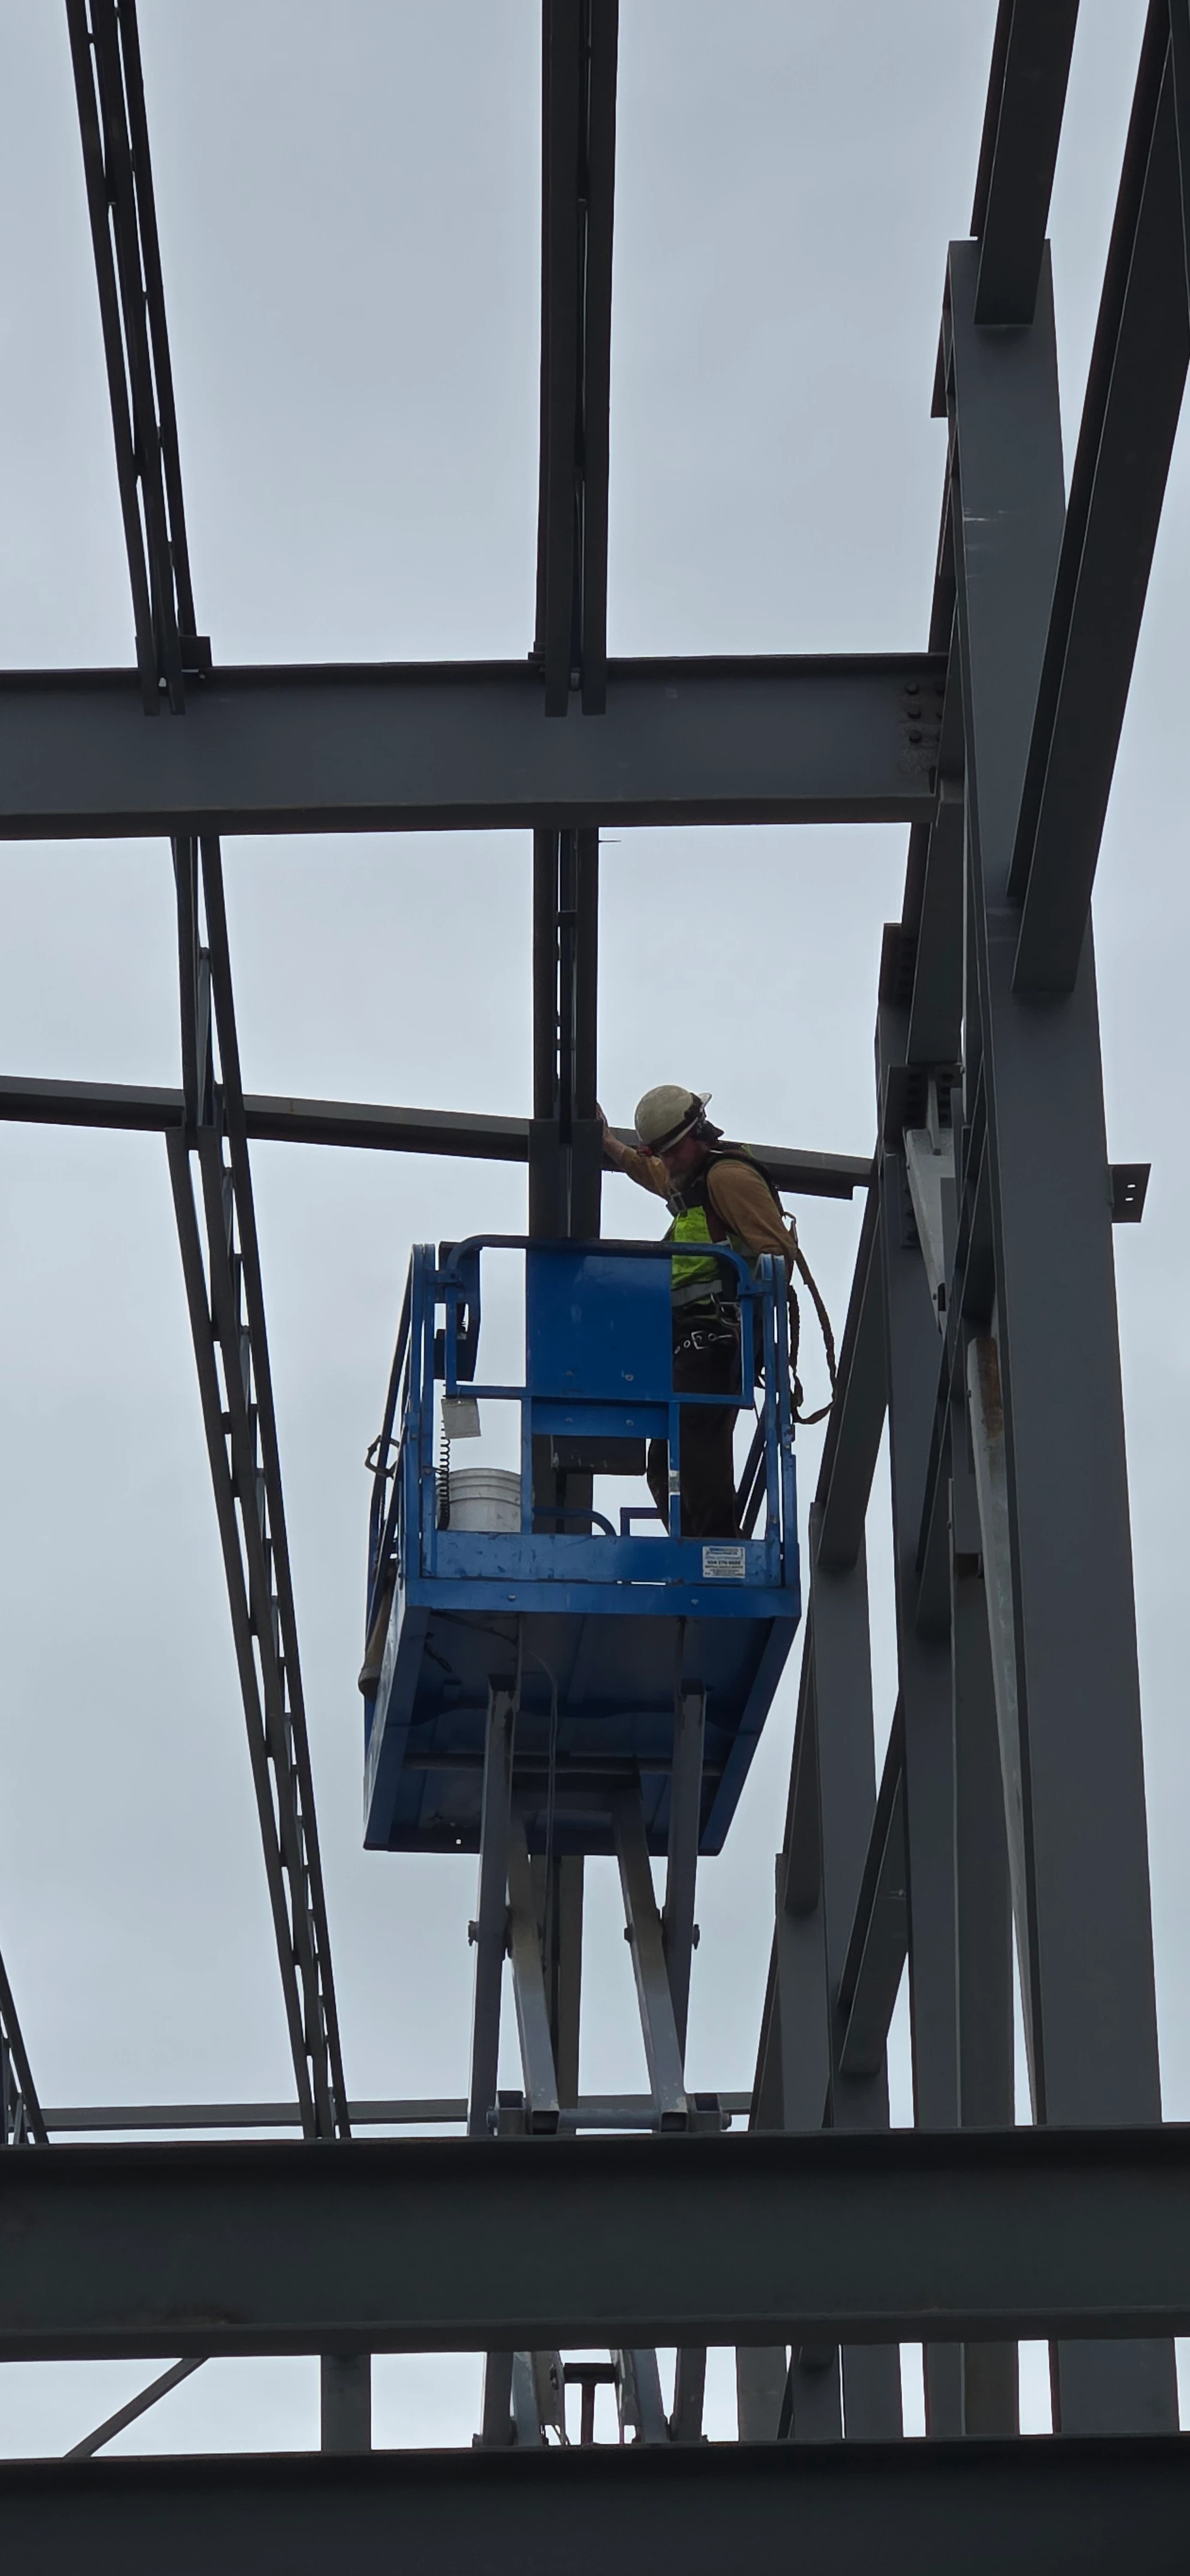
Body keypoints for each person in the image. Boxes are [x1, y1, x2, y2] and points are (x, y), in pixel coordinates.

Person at [599, 1086, 797, 1540]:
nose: (666, 1164)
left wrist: (752, 1323)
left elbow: (776, 1254)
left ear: (698, 1136)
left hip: (719, 1337)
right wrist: (611, 1145)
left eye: (670, 1153)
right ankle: (694, 1550)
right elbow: (653, 1173)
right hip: (691, 1340)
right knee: (663, 1463)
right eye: (661, 1155)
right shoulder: (690, 1177)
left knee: (696, 1446)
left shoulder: (728, 1179)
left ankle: (719, 1552)